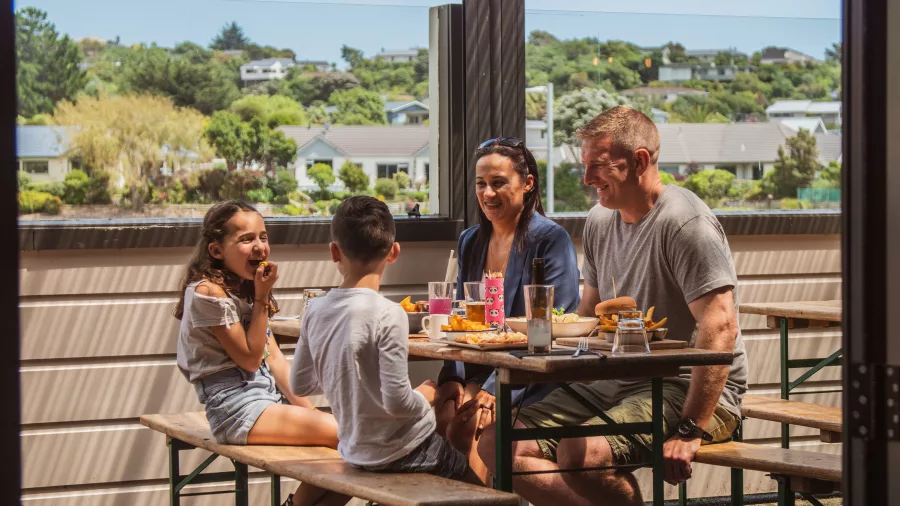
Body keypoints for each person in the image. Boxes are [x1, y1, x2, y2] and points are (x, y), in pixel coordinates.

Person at [477, 106, 748, 506]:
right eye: (584, 165)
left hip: (688, 387)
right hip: (614, 378)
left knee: (579, 453)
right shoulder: (601, 220)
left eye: (598, 166)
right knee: (498, 444)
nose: (587, 179)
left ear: (639, 161)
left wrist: (691, 428)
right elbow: (589, 312)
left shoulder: (685, 223)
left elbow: (720, 326)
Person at [290, 196, 483, 495]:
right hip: (405, 450)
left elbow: (300, 384)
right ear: (394, 252)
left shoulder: (315, 310)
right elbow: (397, 402)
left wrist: (348, 379)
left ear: (334, 252)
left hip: (354, 450)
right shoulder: (389, 313)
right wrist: (427, 395)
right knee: (478, 491)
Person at [173, 200, 341, 506]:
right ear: (216, 251)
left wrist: (312, 412)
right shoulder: (208, 293)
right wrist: (262, 298)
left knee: (355, 450)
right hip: (235, 410)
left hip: (265, 401)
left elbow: (275, 361)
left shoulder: (244, 289)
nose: (259, 246)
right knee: (351, 438)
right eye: (246, 239)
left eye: (263, 237)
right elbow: (250, 360)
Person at [435, 138, 581, 480]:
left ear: (527, 184)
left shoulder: (550, 240)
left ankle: (483, 500)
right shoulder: (470, 240)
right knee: (439, 412)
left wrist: (494, 388)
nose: (488, 193)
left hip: (530, 373)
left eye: (499, 182)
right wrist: (452, 378)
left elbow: (552, 327)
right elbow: (461, 320)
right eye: (481, 184)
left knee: (469, 426)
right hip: (480, 368)